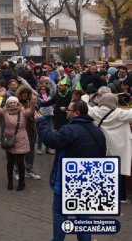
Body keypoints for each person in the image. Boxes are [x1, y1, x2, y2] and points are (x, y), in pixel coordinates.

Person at [36, 100, 106, 241]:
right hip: (89, 182)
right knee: (83, 216)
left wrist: (41, 122)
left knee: (60, 214)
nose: (65, 111)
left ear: (76, 113)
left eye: (68, 109)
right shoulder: (98, 131)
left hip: (67, 182)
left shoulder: (70, 129)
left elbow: (51, 140)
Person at [0, 93, 36, 191]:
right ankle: (10, 181)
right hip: (9, 140)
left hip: (21, 140)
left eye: (15, 102)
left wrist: (33, 101)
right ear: (8, 105)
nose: (13, 104)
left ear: (17, 104)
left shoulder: (23, 112)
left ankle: (22, 182)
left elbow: (32, 111)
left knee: (20, 163)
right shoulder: (5, 112)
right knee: (10, 163)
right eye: (11, 102)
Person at [88, 93, 132, 203]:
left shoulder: (95, 111)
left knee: (104, 170)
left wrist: (93, 95)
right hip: (119, 146)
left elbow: (85, 102)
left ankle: (104, 194)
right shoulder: (120, 113)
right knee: (119, 171)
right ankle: (121, 197)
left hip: (103, 145)